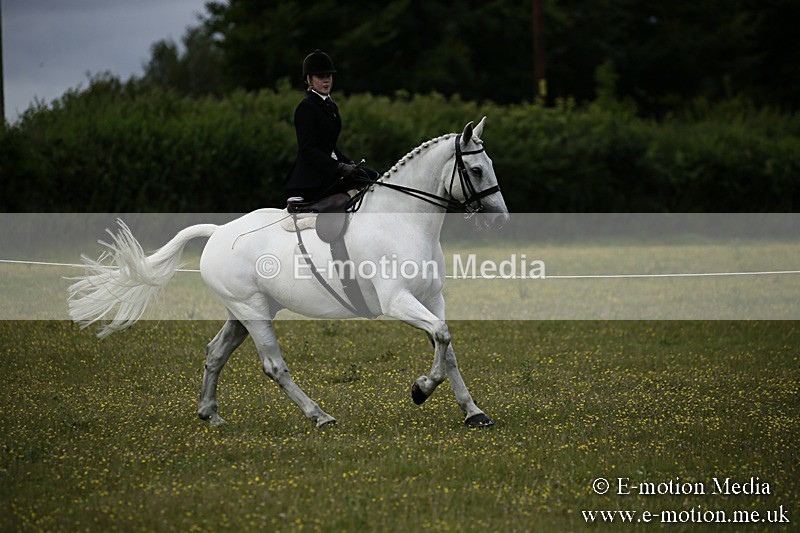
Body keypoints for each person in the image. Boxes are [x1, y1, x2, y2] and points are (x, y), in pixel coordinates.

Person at [283, 49, 377, 204]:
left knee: (371, 176)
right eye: (321, 77)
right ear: (310, 79)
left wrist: (348, 163)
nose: (326, 80)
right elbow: (308, 150)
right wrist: (339, 167)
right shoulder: (306, 107)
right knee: (364, 181)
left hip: (328, 170)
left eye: (329, 76)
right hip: (312, 179)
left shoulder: (331, 106)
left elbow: (330, 147)